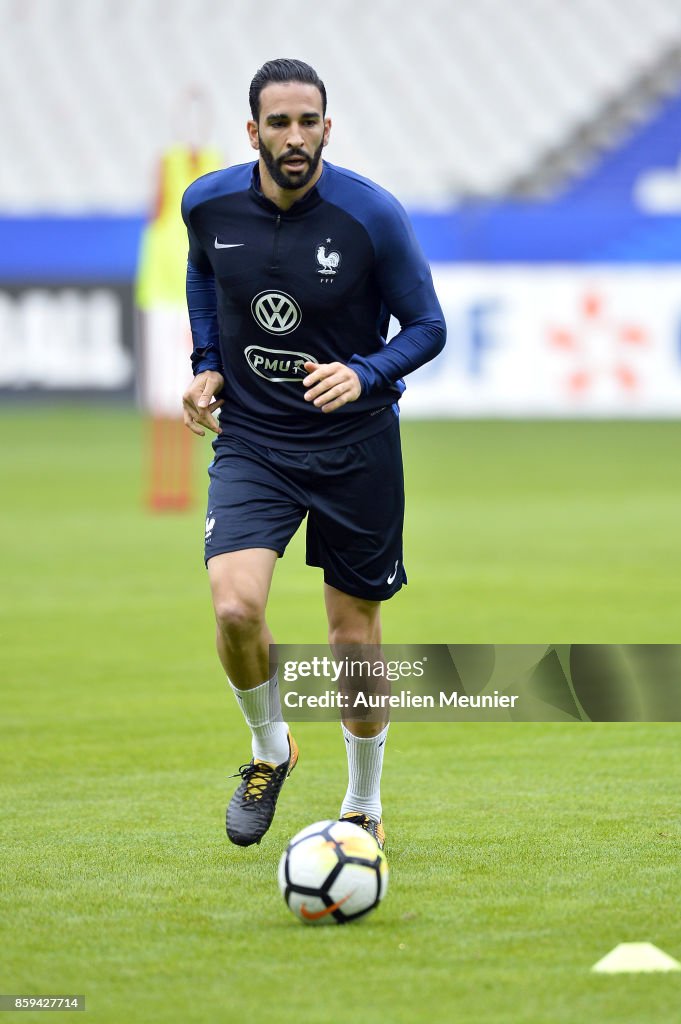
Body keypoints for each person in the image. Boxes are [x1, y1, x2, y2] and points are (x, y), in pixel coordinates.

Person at [181, 58, 446, 851]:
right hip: (255, 441)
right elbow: (203, 274)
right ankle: (271, 749)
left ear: (327, 128)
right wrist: (205, 361)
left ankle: (362, 803)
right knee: (234, 607)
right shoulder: (208, 203)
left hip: (354, 446)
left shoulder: (372, 216)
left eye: (308, 122)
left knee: (351, 638)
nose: (294, 138)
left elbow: (428, 328)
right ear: (252, 130)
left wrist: (363, 372)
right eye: (279, 123)